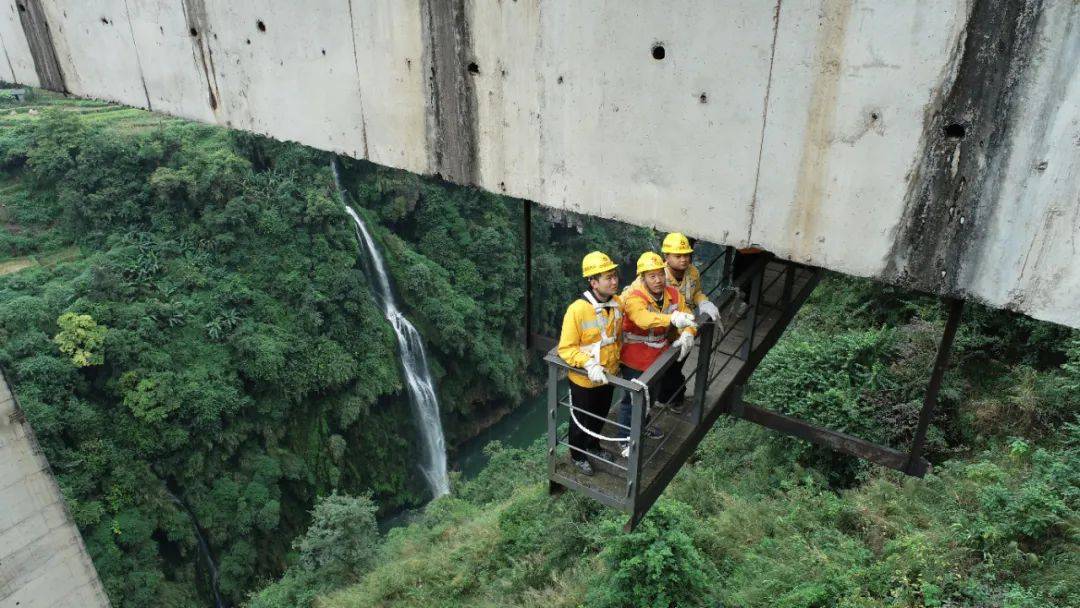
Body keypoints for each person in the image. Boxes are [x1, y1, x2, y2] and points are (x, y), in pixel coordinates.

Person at [617, 252, 697, 449]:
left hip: (659, 354)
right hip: (634, 356)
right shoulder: (635, 298)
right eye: (652, 276)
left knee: (652, 395)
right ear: (643, 278)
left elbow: (688, 315)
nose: (658, 280)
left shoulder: (674, 294)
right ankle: (624, 437)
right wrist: (672, 319)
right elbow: (643, 319)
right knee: (631, 399)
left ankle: (642, 426)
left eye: (660, 274)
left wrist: (688, 332)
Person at [557, 251, 624, 476]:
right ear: (593, 282)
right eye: (608, 278)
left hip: (608, 374)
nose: (614, 281)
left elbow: (617, 337)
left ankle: (593, 446)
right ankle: (577, 454)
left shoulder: (616, 304)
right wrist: (588, 364)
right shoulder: (578, 309)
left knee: (601, 414)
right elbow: (566, 348)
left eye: (614, 276)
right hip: (585, 380)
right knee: (581, 419)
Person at [661, 233, 721, 323]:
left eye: (686, 255)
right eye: (678, 256)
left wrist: (703, 302)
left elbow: (696, 292)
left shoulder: (693, 271)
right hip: (665, 323)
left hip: (687, 320)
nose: (683, 259)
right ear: (666, 257)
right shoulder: (659, 275)